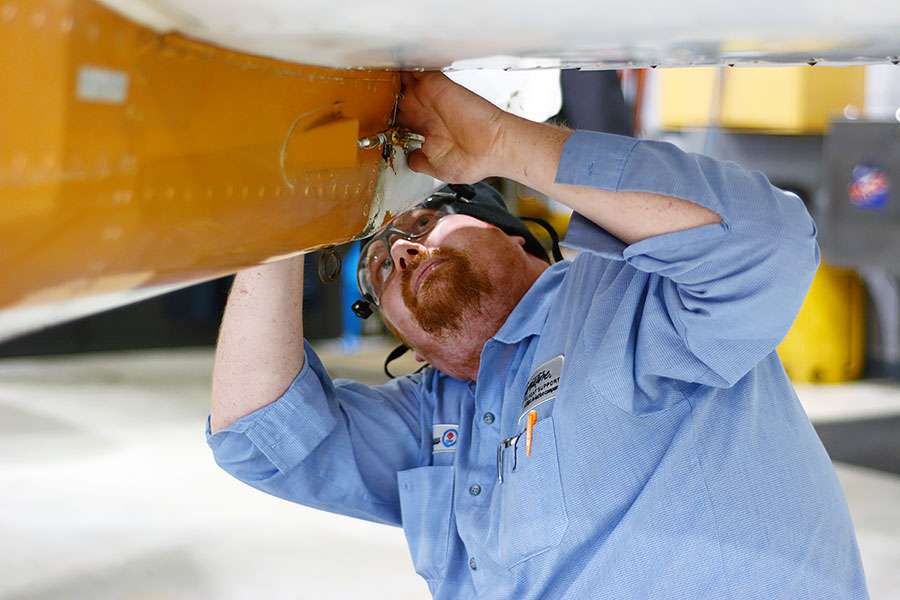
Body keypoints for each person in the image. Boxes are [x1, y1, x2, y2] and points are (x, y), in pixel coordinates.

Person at [207, 72, 868, 599]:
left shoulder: (626, 295)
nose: (401, 254)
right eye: (379, 269)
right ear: (399, 335)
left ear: (514, 232)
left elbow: (769, 244)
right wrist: (278, 229)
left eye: (422, 223)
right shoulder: (433, 421)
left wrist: (499, 142)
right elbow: (257, 438)